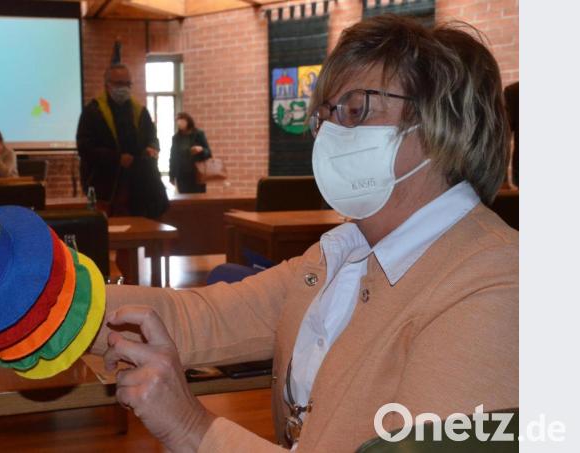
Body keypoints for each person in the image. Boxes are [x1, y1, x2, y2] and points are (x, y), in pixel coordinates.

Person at [91, 15, 517, 453]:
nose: (331, 132)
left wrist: (193, 428)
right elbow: (196, 318)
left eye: (356, 110)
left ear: (440, 123)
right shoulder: (340, 255)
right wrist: (49, 303)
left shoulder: (497, 285)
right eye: (326, 116)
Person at [76, 63, 167, 218]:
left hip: (140, 186)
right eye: (119, 84)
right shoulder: (93, 112)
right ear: (107, 85)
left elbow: (152, 138)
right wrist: (117, 158)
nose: (123, 88)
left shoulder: (139, 111)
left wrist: (152, 148)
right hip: (106, 187)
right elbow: (85, 148)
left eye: (127, 84)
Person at [169, 112, 213, 194]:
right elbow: (173, 157)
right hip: (182, 175)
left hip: (197, 173)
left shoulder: (199, 134)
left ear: (188, 121)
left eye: (181, 120)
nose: (179, 122)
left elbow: (209, 153)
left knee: (199, 200)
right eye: (177, 120)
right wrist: (172, 175)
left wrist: (201, 150)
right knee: (184, 200)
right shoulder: (176, 138)